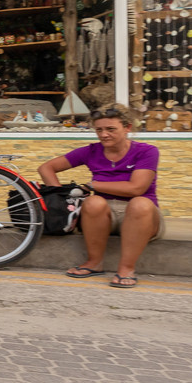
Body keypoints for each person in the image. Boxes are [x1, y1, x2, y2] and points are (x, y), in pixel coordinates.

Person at [38, 105, 162, 289]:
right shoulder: (91, 151)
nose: (104, 135)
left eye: (111, 129)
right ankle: (94, 263)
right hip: (105, 216)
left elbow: (136, 188)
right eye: (99, 130)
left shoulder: (147, 151)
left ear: (127, 127)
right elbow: (46, 168)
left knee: (140, 203)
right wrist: (60, 199)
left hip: (142, 217)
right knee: (93, 202)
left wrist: (93, 185)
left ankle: (126, 268)